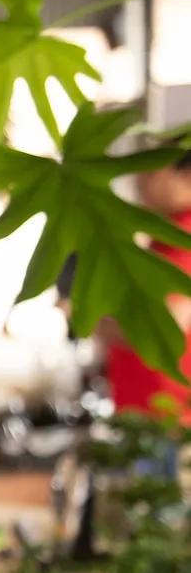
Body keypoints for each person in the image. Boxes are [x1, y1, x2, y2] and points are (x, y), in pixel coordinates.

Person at [102, 152, 191, 416]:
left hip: (168, 414)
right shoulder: (166, 235)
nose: (140, 181)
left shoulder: (183, 236)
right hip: (149, 409)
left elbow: (166, 326)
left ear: (185, 175)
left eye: (151, 171)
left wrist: (96, 321)